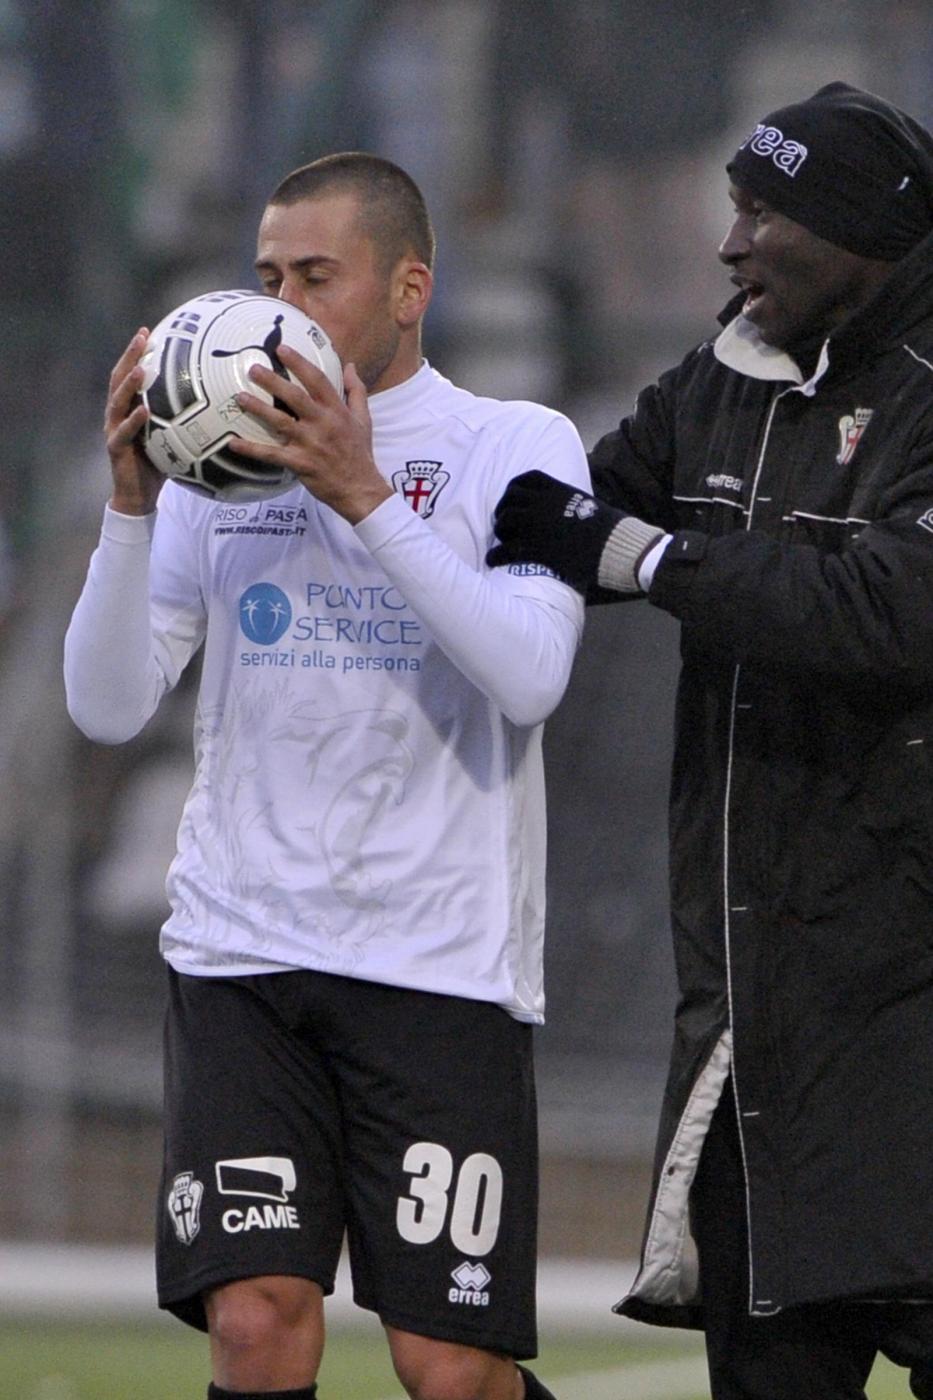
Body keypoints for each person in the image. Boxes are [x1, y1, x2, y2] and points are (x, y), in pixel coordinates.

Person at [64, 152, 591, 1400]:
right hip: (244, 953)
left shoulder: (515, 444)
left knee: (449, 1366)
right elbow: (106, 703)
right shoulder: (217, 461)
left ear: (410, 288)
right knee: (255, 1320)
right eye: (267, 277)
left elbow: (530, 677)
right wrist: (132, 507)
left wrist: (363, 494)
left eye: (316, 275)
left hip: (439, 965)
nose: (283, 304)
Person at [488, 82, 933, 1399]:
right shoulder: (721, 379)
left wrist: (649, 557)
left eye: (763, 213)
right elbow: (560, 516)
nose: (730, 243)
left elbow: (887, 613)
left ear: (857, 232)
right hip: (766, 1038)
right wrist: (369, 476)